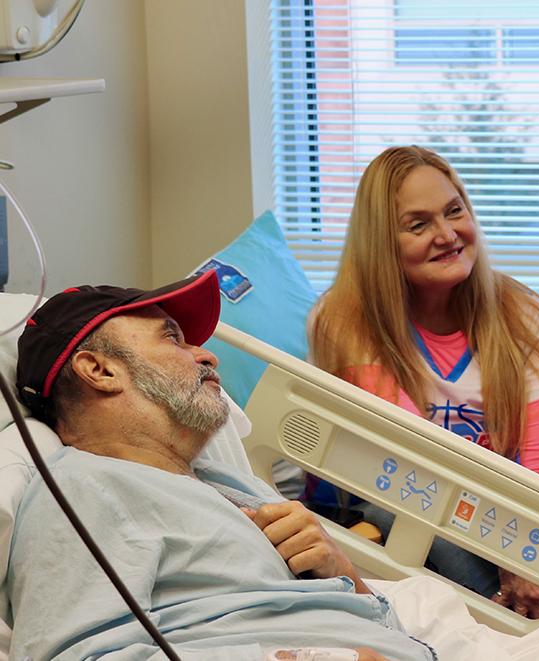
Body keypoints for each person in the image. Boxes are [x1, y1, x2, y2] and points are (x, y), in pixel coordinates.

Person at [7, 270, 434, 660]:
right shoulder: (82, 491)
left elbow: (384, 633)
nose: (208, 356)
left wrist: (344, 574)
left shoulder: (226, 483)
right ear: (100, 370)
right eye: (173, 338)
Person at [308, 145, 539, 619]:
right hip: (391, 512)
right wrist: (509, 561)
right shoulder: (345, 320)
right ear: (382, 243)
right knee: (399, 515)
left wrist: (532, 553)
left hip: (504, 521)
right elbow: (416, 461)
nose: (447, 234)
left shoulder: (525, 316)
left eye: (455, 211)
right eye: (419, 224)